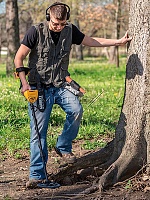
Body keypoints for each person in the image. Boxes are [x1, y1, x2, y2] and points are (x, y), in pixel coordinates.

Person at [14, 2, 132, 188]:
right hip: (38, 88)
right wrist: (24, 83)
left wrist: (118, 42)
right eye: (55, 24)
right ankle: (37, 175)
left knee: (76, 109)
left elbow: (91, 41)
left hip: (60, 85)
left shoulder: (70, 30)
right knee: (38, 133)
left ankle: (63, 146)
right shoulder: (35, 31)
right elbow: (18, 57)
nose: (59, 27)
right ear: (48, 18)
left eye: (62, 24)